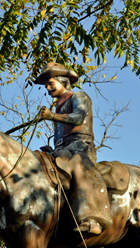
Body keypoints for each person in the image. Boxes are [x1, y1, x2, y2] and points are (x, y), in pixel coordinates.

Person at [36, 62, 113, 235]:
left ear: (62, 81)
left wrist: (52, 116)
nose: (48, 88)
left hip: (80, 147)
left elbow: (78, 117)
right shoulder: (57, 104)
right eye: (46, 85)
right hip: (62, 149)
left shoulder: (78, 96)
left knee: (79, 164)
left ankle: (92, 219)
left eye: (51, 83)